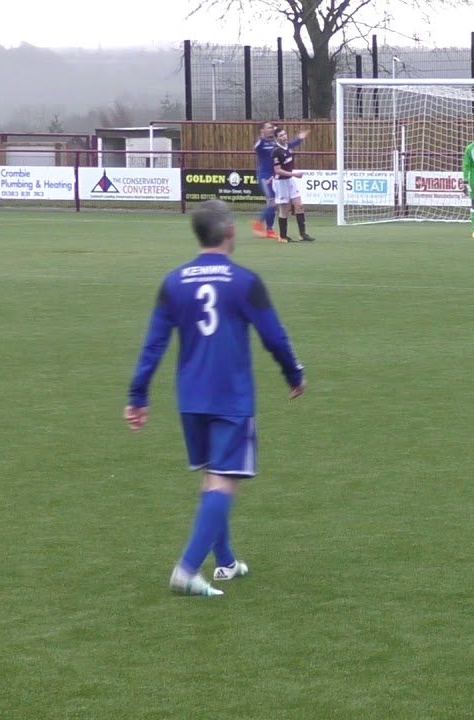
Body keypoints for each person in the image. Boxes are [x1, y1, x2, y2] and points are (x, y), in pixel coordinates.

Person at [125, 200, 306, 597]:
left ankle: (225, 562)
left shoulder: (174, 282)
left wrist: (138, 395)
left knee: (212, 476)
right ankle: (187, 569)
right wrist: (294, 373)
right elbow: (274, 336)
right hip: (230, 398)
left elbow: (153, 344)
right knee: (224, 482)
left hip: (190, 398)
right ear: (230, 232)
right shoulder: (244, 281)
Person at [252, 122, 307, 239]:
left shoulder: (274, 143)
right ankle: (260, 223)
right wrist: (263, 136)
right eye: (269, 127)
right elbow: (256, 147)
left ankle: (268, 229)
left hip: (274, 176)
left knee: (274, 203)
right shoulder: (261, 144)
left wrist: (299, 139)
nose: (271, 129)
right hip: (264, 176)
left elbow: (288, 145)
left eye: (272, 128)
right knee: (272, 201)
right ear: (262, 130)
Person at [271, 127, 315, 242]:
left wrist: (301, 137)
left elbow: (294, 142)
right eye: (281, 135)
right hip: (281, 182)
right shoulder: (276, 151)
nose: (284, 137)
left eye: (285, 134)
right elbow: (277, 170)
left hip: (290, 180)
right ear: (276, 138)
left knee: (299, 205)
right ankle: (283, 236)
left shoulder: (288, 146)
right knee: (284, 209)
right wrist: (294, 174)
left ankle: (302, 234)